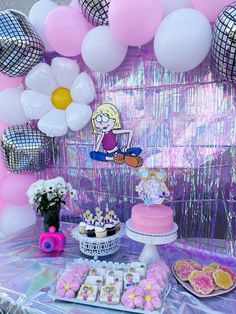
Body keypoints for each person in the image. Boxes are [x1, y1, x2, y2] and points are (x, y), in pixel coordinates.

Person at [90, 103, 143, 167]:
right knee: (92, 154)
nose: (102, 123)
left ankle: (128, 157)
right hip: (110, 154)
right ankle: (116, 158)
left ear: (114, 120)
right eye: (98, 120)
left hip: (119, 151)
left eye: (105, 118)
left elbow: (130, 131)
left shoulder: (112, 132)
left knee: (138, 150)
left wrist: (127, 146)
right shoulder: (100, 135)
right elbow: (96, 150)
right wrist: (101, 135)